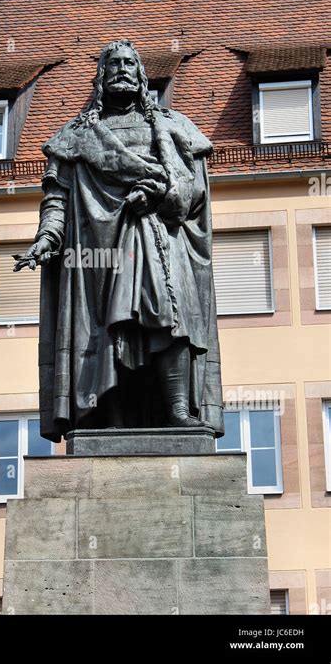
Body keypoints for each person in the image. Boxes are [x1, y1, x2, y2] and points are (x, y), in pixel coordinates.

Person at [16, 40, 224, 443]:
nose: (122, 70)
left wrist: (159, 195)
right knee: (104, 328)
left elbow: (193, 190)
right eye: (113, 64)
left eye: (130, 63)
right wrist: (47, 237)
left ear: (143, 74)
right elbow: (56, 197)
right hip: (98, 250)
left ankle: (179, 411)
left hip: (162, 238)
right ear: (100, 76)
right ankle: (109, 420)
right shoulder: (77, 135)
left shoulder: (172, 126)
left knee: (171, 317)